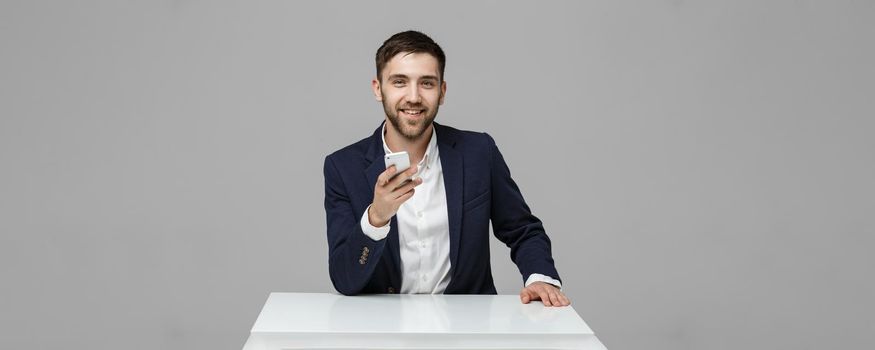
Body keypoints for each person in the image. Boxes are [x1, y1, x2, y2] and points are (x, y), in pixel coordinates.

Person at [323, 30, 570, 307]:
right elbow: (344, 279)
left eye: (426, 83)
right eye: (400, 82)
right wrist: (376, 218)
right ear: (378, 89)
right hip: (384, 332)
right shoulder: (342, 168)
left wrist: (540, 278)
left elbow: (524, 230)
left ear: (442, 92)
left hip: (469, 330)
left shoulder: (479, 153)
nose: (413, 97)